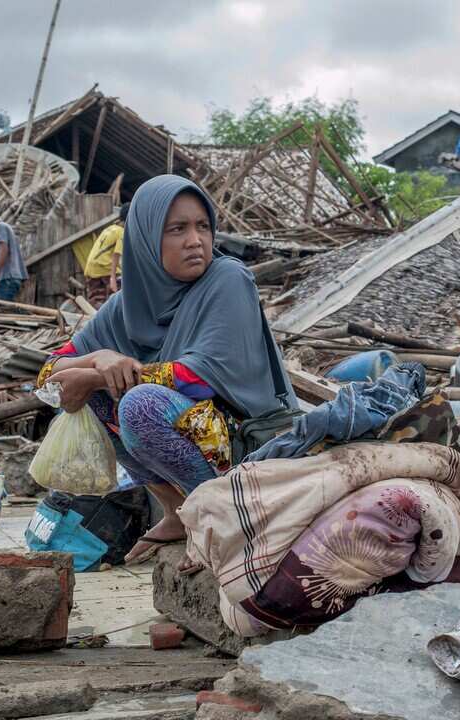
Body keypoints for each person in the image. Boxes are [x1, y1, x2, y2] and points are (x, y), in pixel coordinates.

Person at [36, 175, 296, 568]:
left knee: (139, 404)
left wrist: (93, 375)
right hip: (199, 437)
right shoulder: (126, 305)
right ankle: (176, 511)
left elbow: (199, 379)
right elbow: (48, 380)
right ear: (145, 239)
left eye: (203, 226)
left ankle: (217, 516)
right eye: (177, 229)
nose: (195, 240)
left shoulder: (227, 279)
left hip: (250, 440)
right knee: (94, 400)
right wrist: (98, 358)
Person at [83, 202, 128, 307]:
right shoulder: (121, 232)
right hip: (104, 267)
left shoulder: (110, 228)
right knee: (121, 292)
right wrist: (112, 278)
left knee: (96, 298)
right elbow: (116, 255)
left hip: (91, 267)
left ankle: (95, 317)